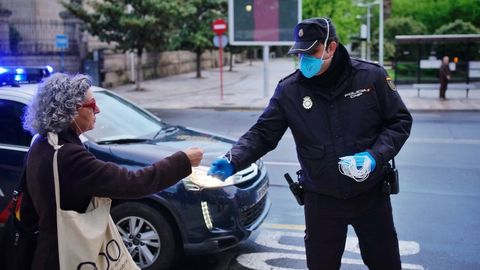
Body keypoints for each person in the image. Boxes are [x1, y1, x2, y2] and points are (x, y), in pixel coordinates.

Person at [208, 18, 412, 269]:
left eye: (311, 51)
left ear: (331, 48)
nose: (304, 58)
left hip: (370, 195)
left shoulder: (370, 77)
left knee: (386, 263)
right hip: (321, 200)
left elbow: (399, 121)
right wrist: (233, 159)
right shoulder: (290, 90)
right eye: (300, 53)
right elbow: (263, 133)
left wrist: (374, 156)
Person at [20, 73, 204, 269]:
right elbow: (133, 183)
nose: (97, 110)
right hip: (68, 257)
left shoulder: (41, 143)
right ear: (71, 111)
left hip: (45, 252)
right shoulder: (69, 157)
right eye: (91, 104)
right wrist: (183, 161)